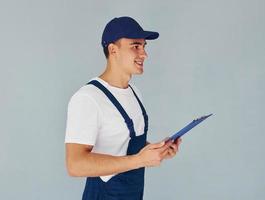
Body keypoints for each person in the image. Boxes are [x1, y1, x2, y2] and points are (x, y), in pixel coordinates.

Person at [65, 16, 182, 200]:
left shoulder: (134, 92)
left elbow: (121, 143)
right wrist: (140, 160)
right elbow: (75, 164)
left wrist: (157, 150)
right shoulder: (88, 98)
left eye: (144, 47)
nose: (144, 54)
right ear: (113, 50)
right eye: (136, 46)